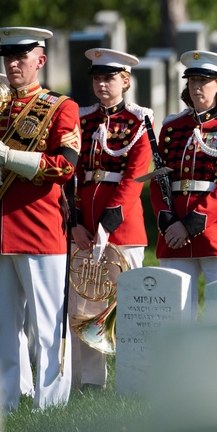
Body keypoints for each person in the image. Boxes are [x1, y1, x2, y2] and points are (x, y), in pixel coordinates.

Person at [0, 27, 80, 410]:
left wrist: (10, 158)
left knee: (46, 328)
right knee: (2, 328)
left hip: (40, 232)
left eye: (22, 57)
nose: (14, 64)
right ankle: (6, 401)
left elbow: (64, 168)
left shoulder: (60, 107)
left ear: (41, 60)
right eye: (9, 57)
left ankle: (50, 403)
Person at [70, 48, 151, 388]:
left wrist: (107, 225)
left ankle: (134, 380)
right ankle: (89, 382)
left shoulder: (139, 122)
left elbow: (135, 177)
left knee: (128, 308)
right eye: (98, 78)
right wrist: (75, 223)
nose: (102, 84)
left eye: (110, 78)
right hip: (83, 230)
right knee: (85, 306)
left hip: (123, 229)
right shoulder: (82, 121)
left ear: (126, 81)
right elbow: (71, 175)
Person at [151, 51, 217, 317]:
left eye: (203, 81)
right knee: (175, 316)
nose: (196, 87)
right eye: (192, 81)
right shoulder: (172, 127)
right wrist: (168, 221)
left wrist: (190, 225)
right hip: (174, 229)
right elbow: (158, 181)